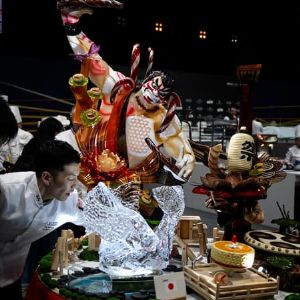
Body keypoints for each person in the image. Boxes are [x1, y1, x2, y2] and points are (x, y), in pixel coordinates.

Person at [0, 140, 83, 299]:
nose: (75, 186)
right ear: (47, 177)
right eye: (70, 178)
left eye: (76, 177)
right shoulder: (7, 190)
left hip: (11, 276)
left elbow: (95, 220)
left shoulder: (69, 200)